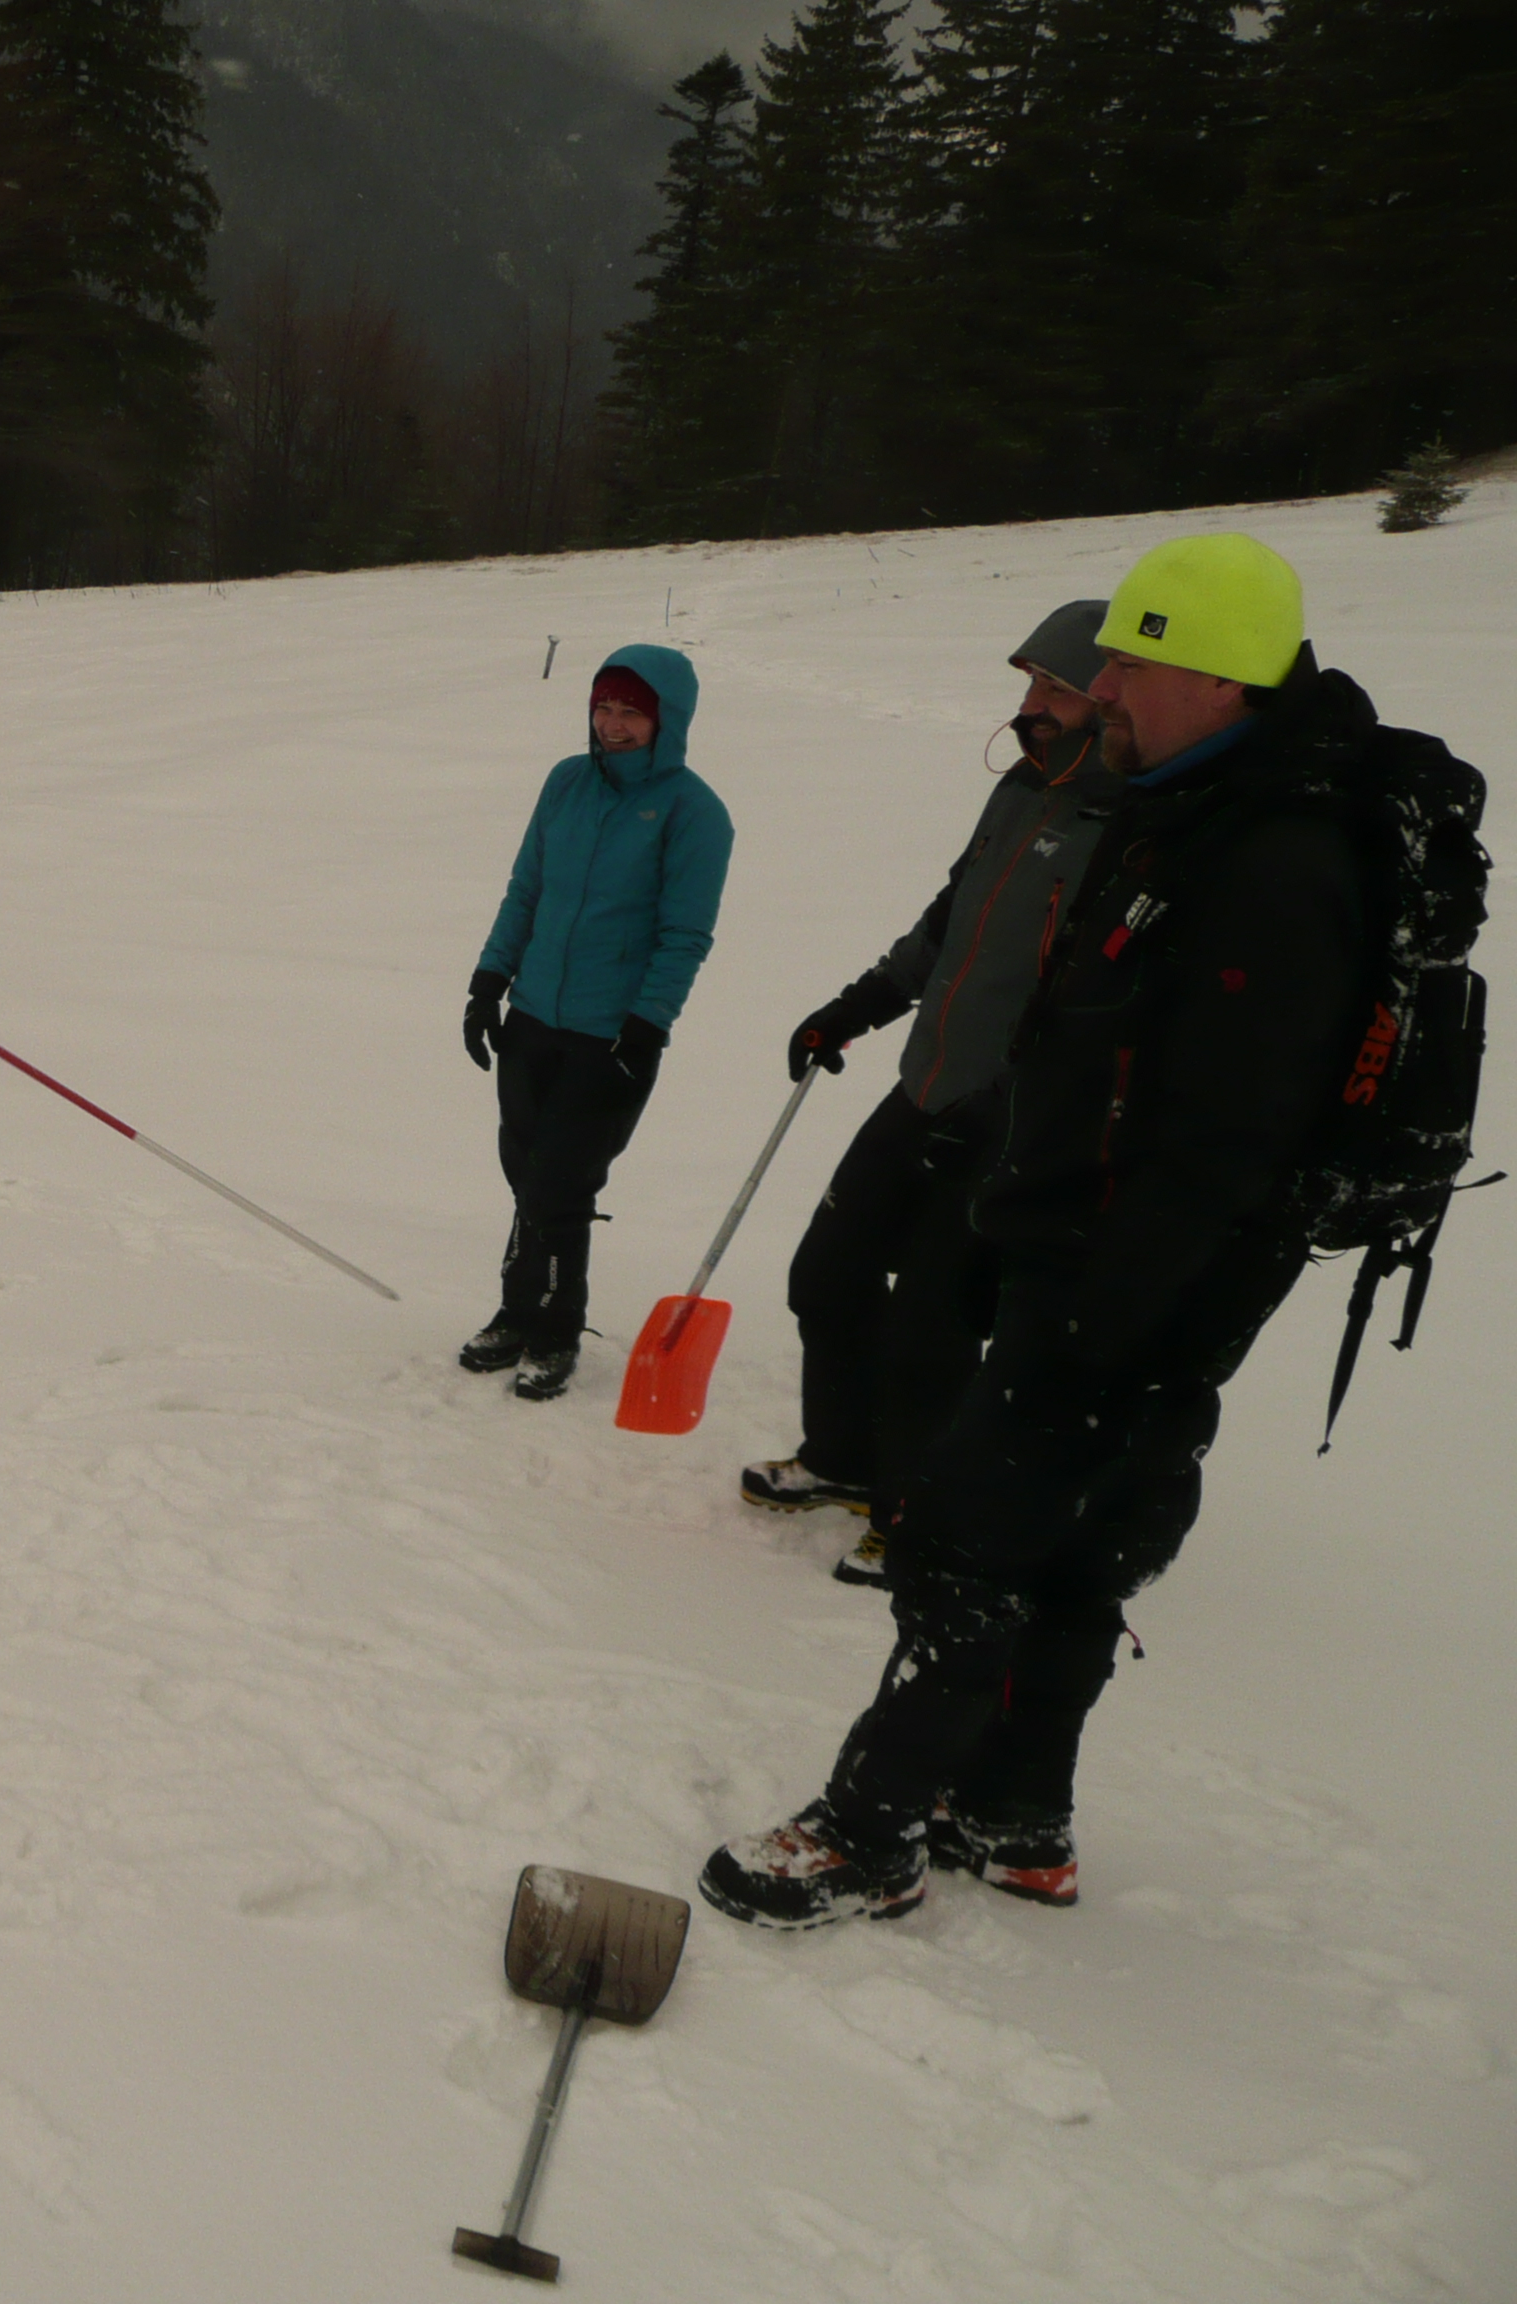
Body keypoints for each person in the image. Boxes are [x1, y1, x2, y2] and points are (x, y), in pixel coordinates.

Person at [700, 533, 1429, 1928]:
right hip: (1111, 1262)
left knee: (966, 1543)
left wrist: (1097, 1316)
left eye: (1131, 666)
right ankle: (1018, 1818)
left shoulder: (1276, 862)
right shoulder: (1197, 808)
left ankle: (871, 1831)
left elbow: (1225, 1134)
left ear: (1216, 675)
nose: (1104, 691)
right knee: (1077, 1556)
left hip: (1128, 1285)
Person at [741, 603, 1110, 1582]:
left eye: (1056, 687)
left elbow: (1093, 1006)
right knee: (828, 1274)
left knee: (932, 1326)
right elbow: (951, 920)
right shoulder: (1021, 790)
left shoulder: (1122, 823)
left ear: (1105, 697)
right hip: (927, 1085)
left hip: (1010, 1121)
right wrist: (857, 1006)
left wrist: (1004, 1104)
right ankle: (843, 1458)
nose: (1033, 704)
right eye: (1030, 684)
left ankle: (916, 1510)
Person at [460, 645, 733, 1401]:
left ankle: (555, 1330)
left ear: (667, 719)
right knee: (525, 1171)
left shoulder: (694, 813)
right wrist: (489, 983)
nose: (613, 724)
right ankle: (517, 1312)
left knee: (561, 1182)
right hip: (533, 1016)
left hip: (609, 1034)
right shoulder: (566, 782)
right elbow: (527, 889)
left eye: (631, 712)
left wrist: (645, 1026)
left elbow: (685, 935)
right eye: (603, 707)